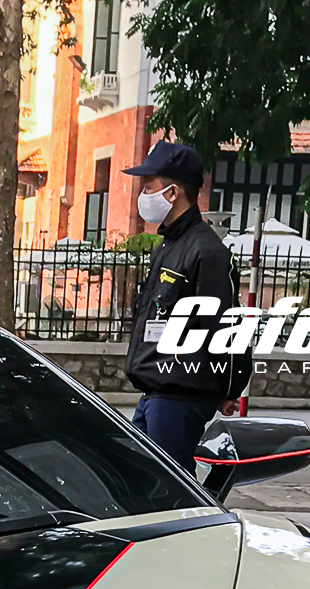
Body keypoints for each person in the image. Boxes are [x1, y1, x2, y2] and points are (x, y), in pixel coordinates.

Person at [120, 141, 251, 463]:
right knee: (142, 476)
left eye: (148, 187)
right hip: (156, 393)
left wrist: (231, 389)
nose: (143, 195)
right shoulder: (168, 247)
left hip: (180, 395)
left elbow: (224, 326)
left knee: (170, 484)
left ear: (172, 193)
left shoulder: (206, 252)